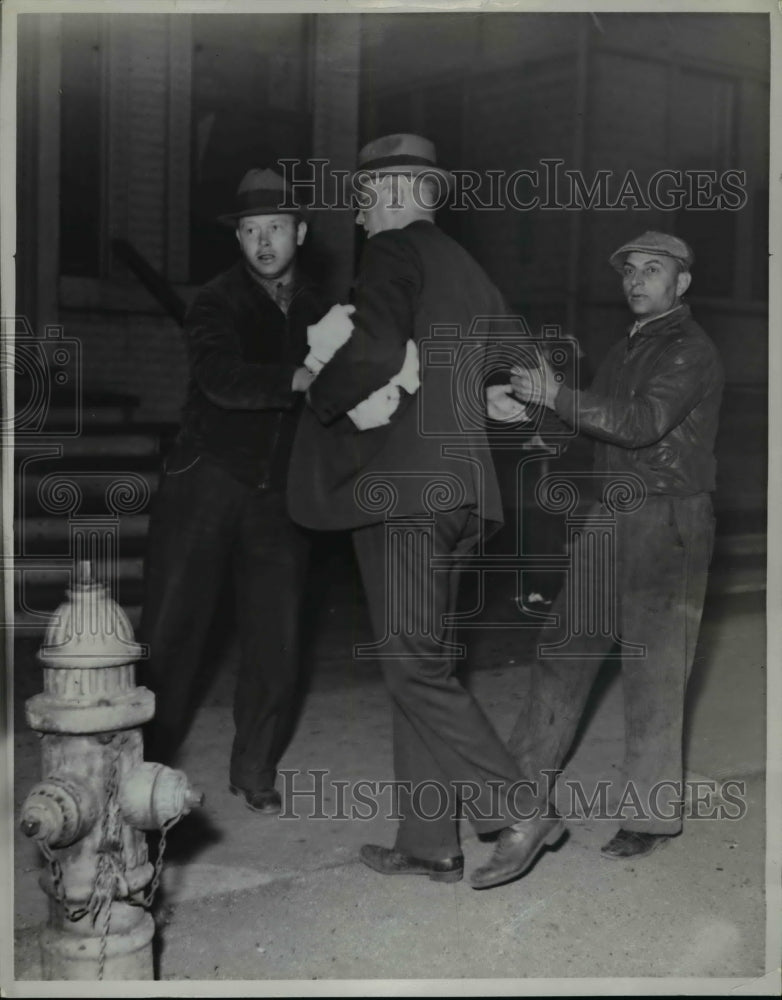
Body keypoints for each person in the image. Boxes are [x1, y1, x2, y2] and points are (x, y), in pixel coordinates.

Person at [288, 134, 564, 890]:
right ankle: (427, 842)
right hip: (469, 494)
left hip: (407, 493)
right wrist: (483, 398)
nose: (361, 215)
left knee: (412, 666)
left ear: (401, 194)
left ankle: (516, 810)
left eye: (366, 200)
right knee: (424, 664)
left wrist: (316, 389)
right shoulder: (470, 268)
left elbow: (375, 351)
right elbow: (512, 363)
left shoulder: (393, 252)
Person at [507, 231, 724, 859]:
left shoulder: (689, 349)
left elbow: (640, 424)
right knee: (563, 648)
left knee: (653, 671)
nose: (636, 280)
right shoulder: (629, 347)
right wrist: (535, 418)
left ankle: (650, 819)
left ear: (681, 283)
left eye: (652, 270)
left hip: (668, 518)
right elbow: (599, 428)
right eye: (629, 270)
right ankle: (516, 795)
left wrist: (556, 395)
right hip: (615, 513)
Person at [140, 167, 330, 815]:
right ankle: (137, 768)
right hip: (206, 482)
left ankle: (254, 768)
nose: (264, 242)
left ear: (299, 232)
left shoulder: (323, 311)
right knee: (171, 636)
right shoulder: (216, 301)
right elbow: (221, 378)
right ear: (240, 240)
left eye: (275, 228)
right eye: (251, 231)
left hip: (278, 495)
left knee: (276, 640)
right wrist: (300, 378)